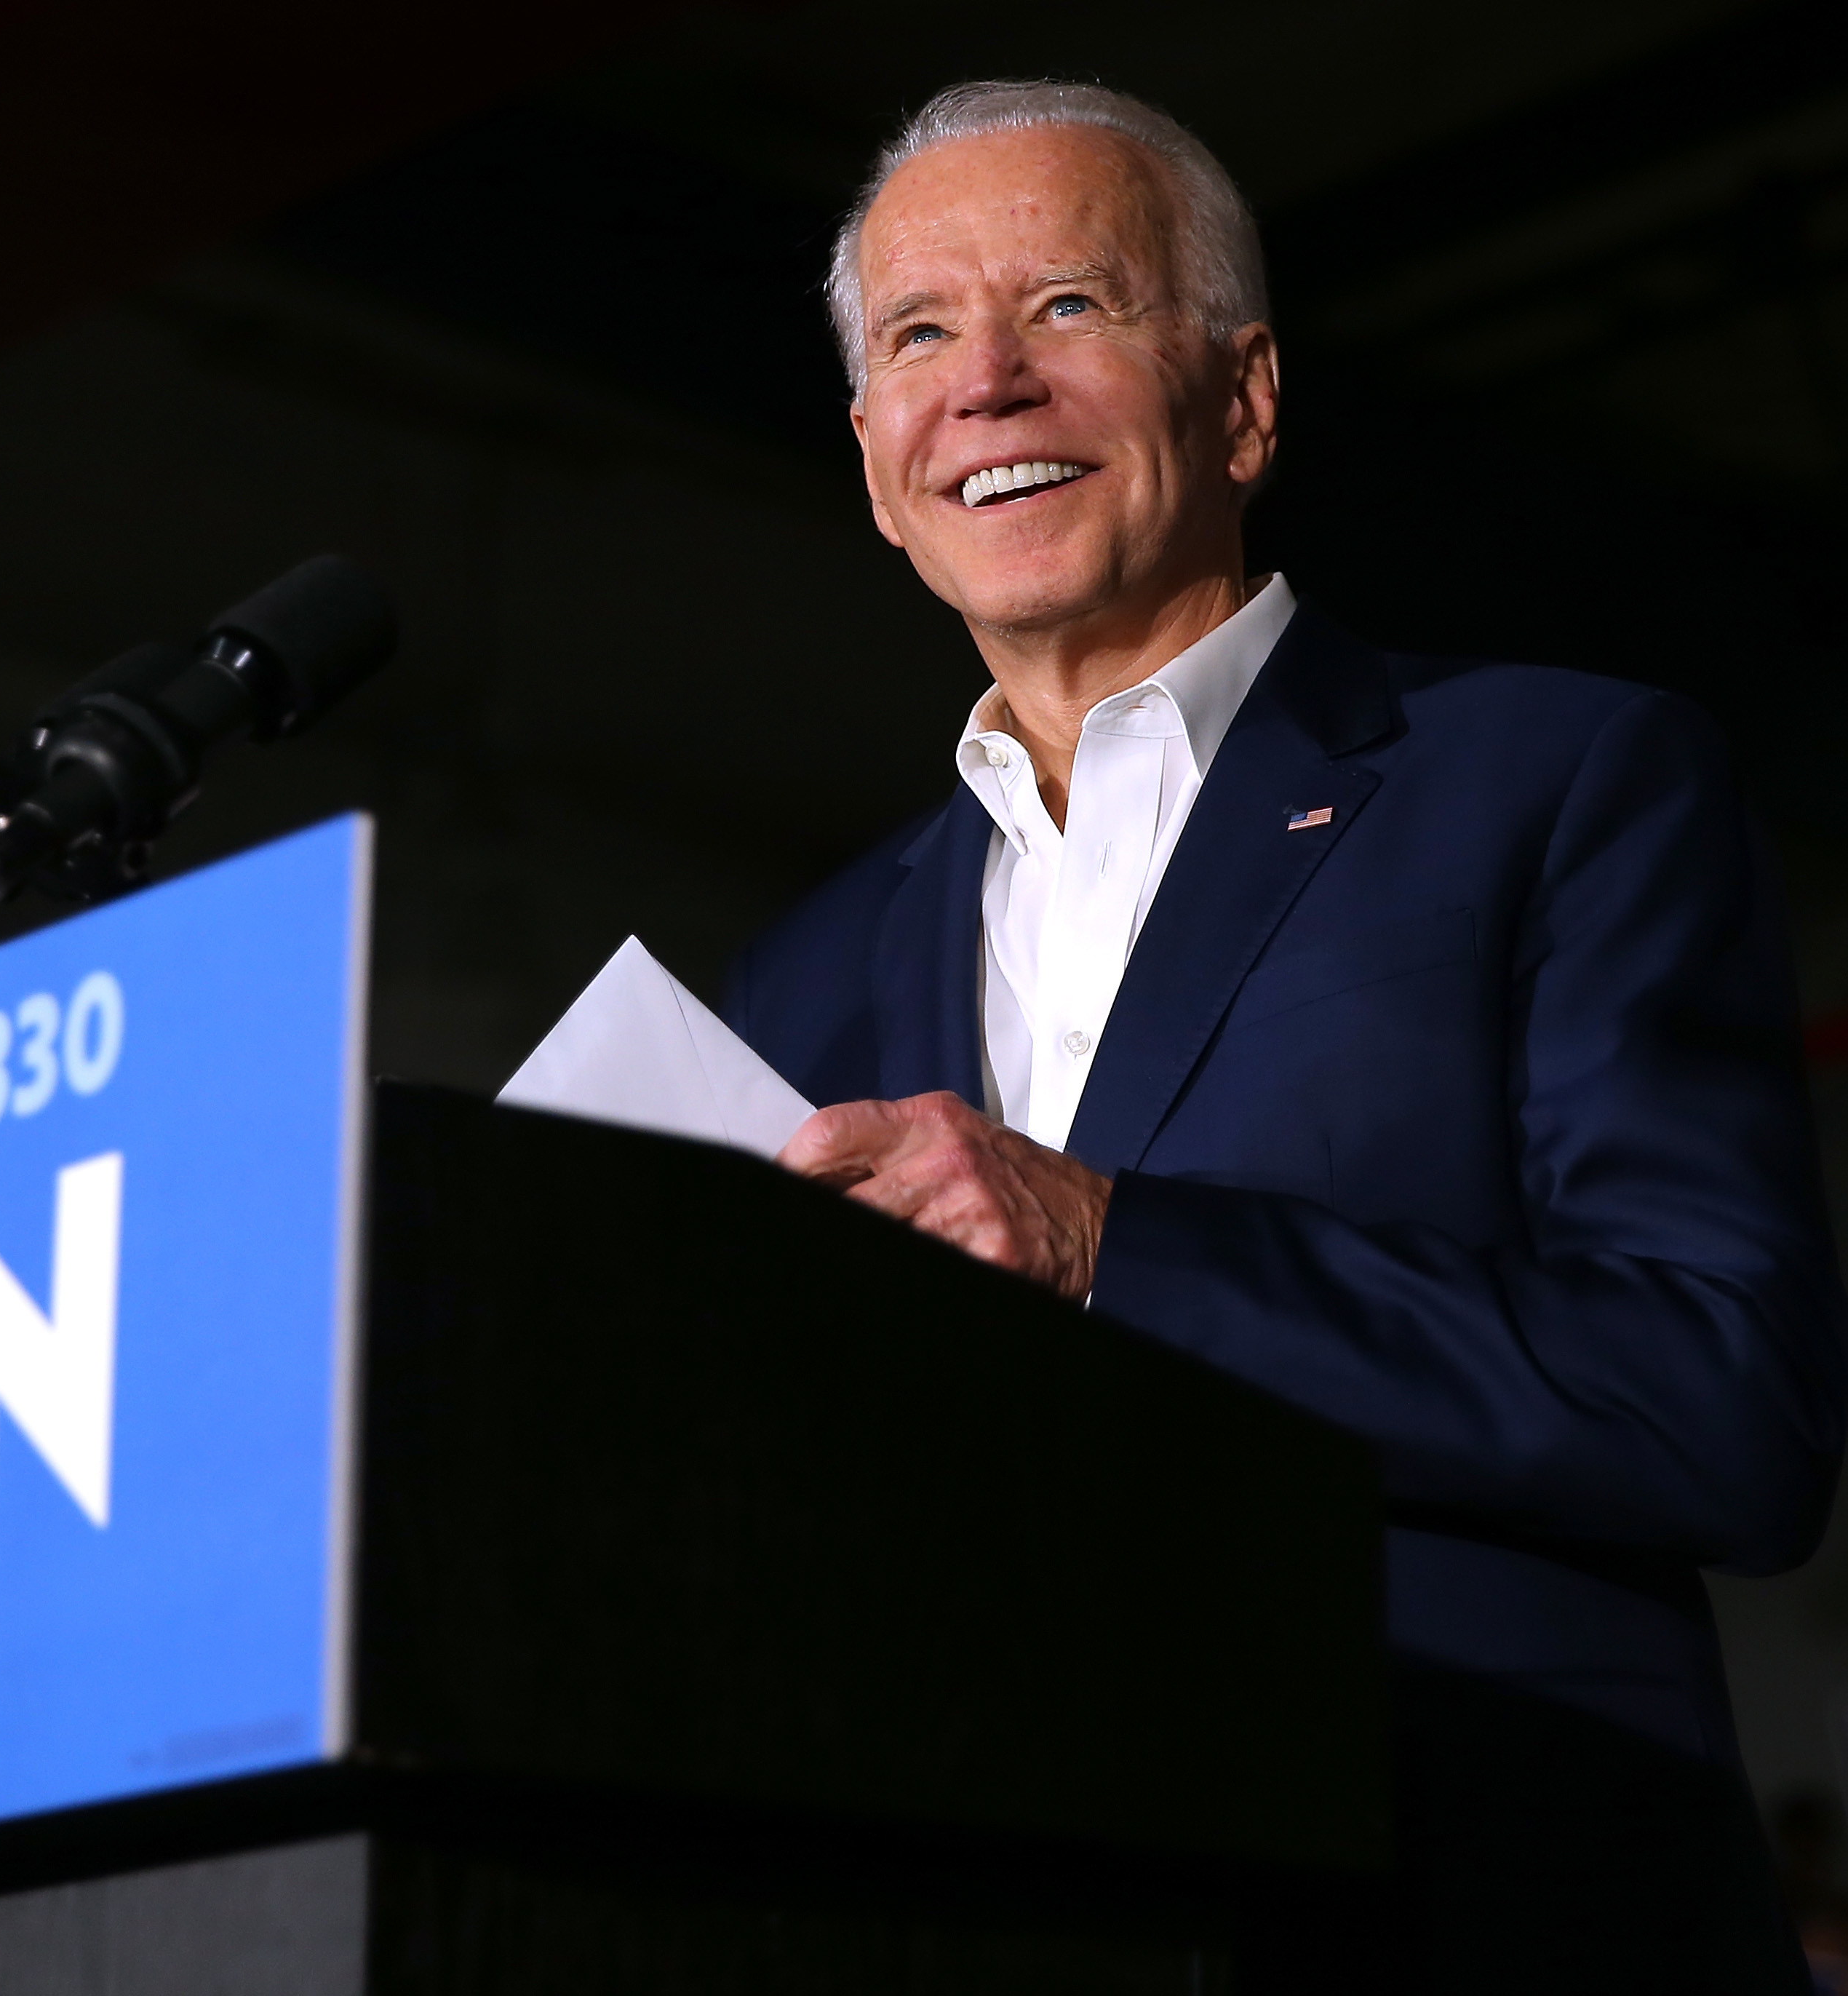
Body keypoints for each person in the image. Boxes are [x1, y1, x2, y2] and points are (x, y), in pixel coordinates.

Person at [723, 78, 1847, 1993]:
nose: (982, 381)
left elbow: (1714, 1400)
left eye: (1066, 306)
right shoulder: (801, 977)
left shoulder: (1553, 780)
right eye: (918, 334)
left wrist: (1107, 1248)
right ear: (869, 458)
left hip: (1466, 1912)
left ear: (1241, 398)